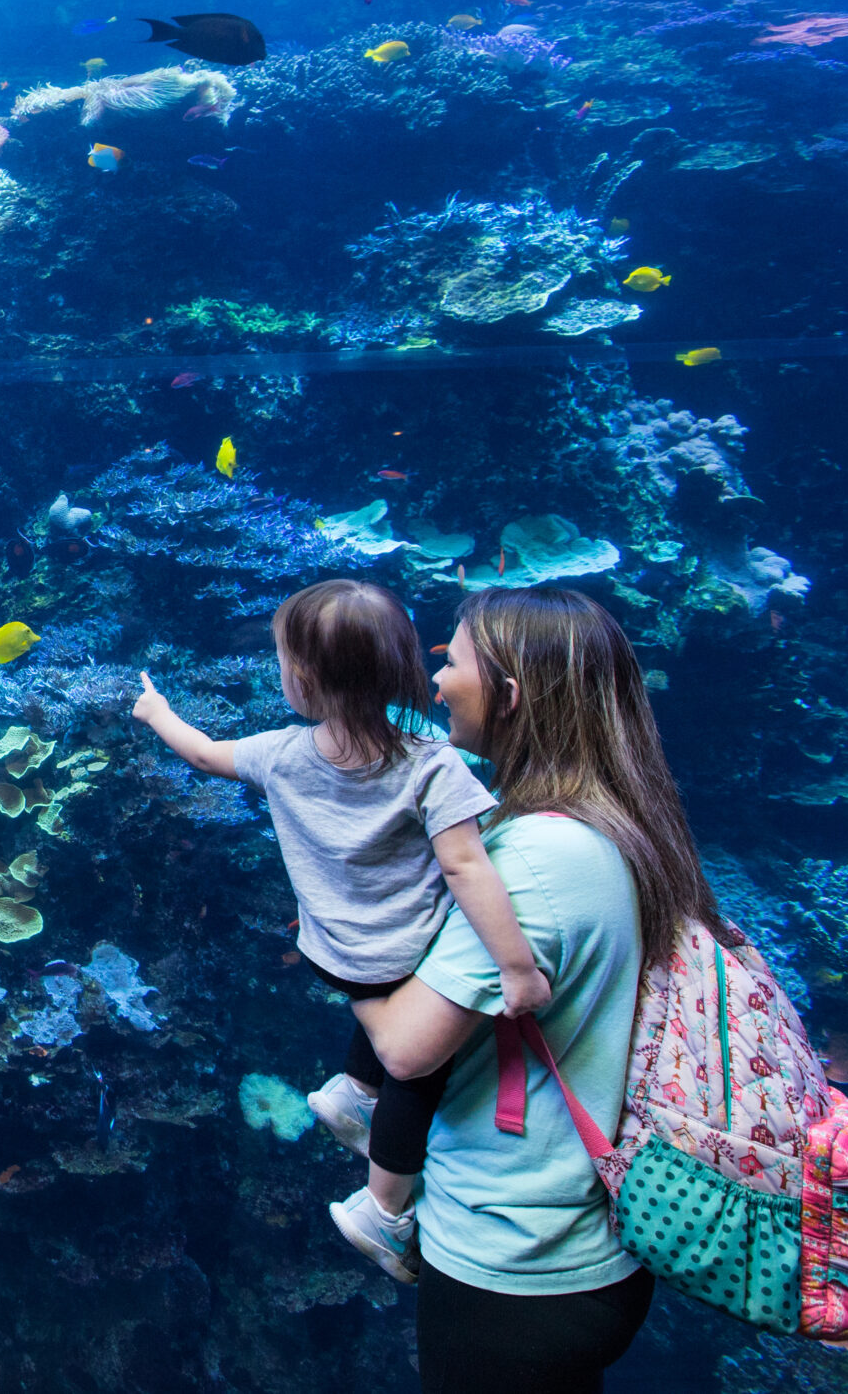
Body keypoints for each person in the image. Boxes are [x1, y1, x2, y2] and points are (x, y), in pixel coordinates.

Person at [351, 586, 723, 1393]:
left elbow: (405, 1046)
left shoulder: (534, 860)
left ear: (511, 696)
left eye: (451, 659)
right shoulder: (615, 823)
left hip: (514, 1261)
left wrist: (337, 923)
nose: (435, 679)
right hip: (580, 1249)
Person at [132, 579, 549, 1281]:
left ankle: (354, 1095)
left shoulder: (281, 754)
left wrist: (158, 711)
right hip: (407, 956)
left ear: (304, 682)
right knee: (419, 1074)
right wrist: (516, 968)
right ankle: (379, 1210)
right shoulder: (431, 764)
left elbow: (202, 753)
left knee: (386, 1023)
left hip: (331, 953)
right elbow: (467, 866)